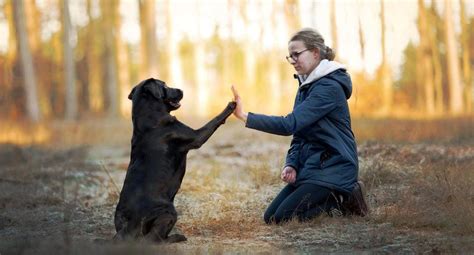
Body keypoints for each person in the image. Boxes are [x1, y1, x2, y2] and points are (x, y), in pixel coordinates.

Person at [231, 28, 368, 224]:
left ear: (315, 53)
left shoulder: (328, 88)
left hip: (335, 168)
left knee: (282, 218)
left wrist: (245, 116)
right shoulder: (307, 85)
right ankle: (333, 199)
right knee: (270, 217)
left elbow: (289, 124)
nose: (293, 60)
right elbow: (299, 132)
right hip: (313, 167)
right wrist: (291, 164)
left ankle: (342, 201)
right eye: (290, 56)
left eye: (297, 54)